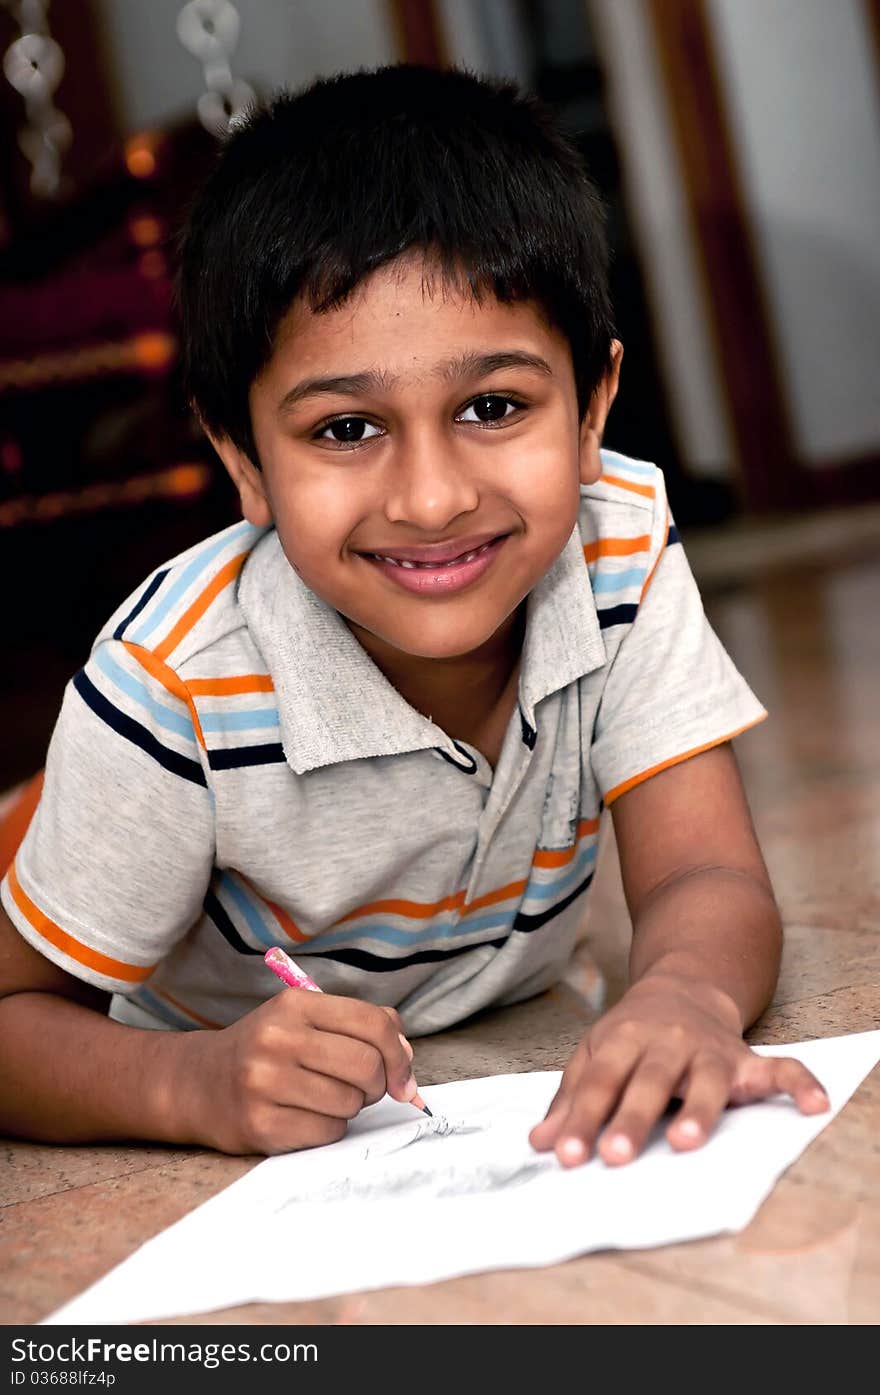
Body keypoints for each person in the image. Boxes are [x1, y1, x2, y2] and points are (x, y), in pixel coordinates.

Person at [0, 64, 828, 1167]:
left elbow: (703, 875)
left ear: (590, 412)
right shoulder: (174, 684)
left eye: (493, 407)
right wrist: (189, 1083)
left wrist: (684, 995)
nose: (432, 499)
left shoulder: (616, 546)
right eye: (345, 430)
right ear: (242, 460)